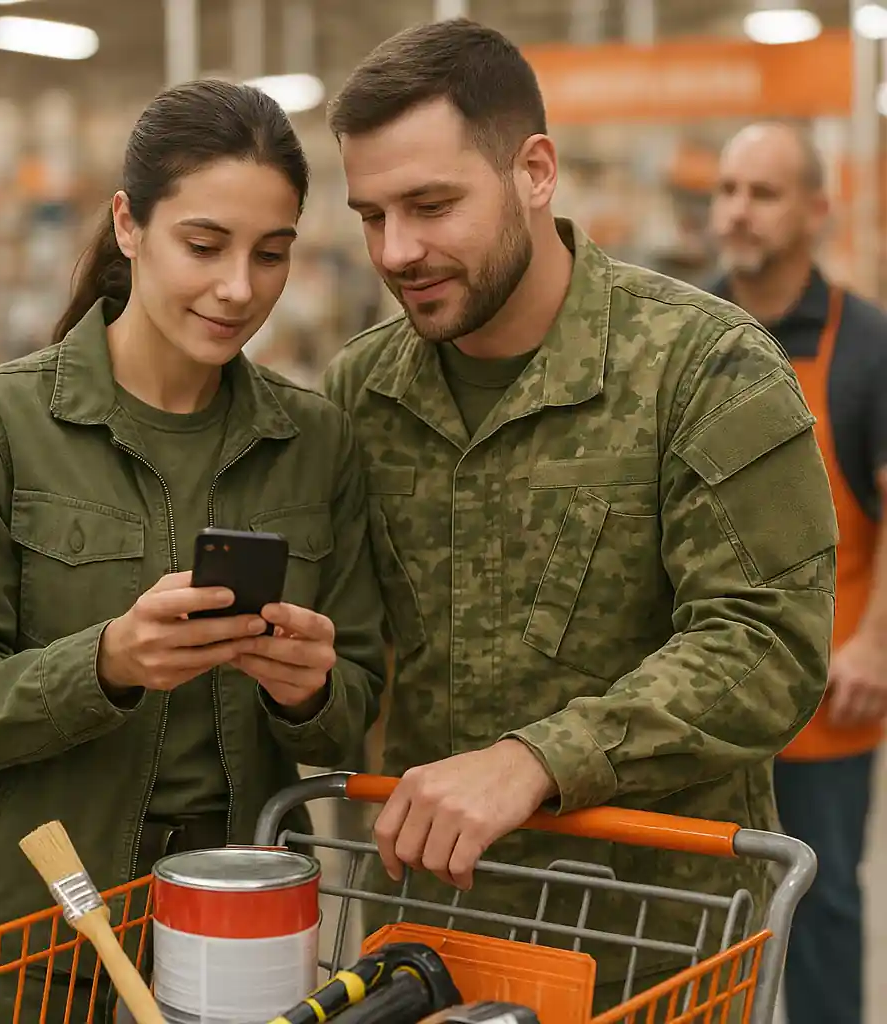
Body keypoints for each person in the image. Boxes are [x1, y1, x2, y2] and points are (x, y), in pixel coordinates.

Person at [320, 19, 836, 1013]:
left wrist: (537, 757)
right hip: (430, 948)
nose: (398, 250)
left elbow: (765, 644)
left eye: (432, 205)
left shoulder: (703, 367)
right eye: (371, 214)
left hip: (653, 949)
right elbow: (354, 660)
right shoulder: (359, 393)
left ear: (536, 171)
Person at [0, 79, 386, 1023]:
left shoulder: (317, 444)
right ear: (129, 225)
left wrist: (313, 688)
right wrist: (107, 664)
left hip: (239, 928)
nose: (239, 287)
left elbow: (348, 714)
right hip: (19, 932)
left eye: (271, 254)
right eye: (204, 246)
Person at [709, 121, 887, 1024]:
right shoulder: (688, 335)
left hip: (828, 699)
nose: (737, 211)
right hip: (702, 703)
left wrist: (874, 644)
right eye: (728, 190)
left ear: (817, 209)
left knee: (821, 918)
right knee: (702, 924)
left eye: (763, 193)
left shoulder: (868, 347)